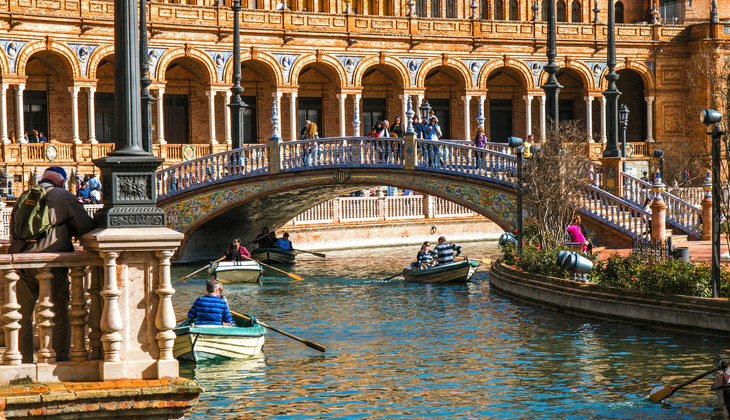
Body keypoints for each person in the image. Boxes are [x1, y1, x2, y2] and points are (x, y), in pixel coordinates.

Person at [9, 166, 96, 363]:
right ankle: (58, 358)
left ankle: (24, 360)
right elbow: (86, 227)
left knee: (22, 315)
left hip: (21, 263)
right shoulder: (64, 196)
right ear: (62, 181)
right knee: (58, 313)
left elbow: (13, 231)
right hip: (50, 263)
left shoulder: (23, 196)